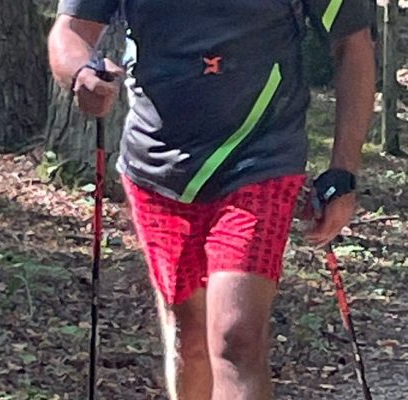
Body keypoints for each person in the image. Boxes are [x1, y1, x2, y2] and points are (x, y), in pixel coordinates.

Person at [47, 1, 376, 399]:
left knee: (236, 338)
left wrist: (343, 171)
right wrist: (81, 73)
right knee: (190, 338)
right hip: (158, 167)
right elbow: (70, 32)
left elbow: (353, 42)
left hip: (262, 156)